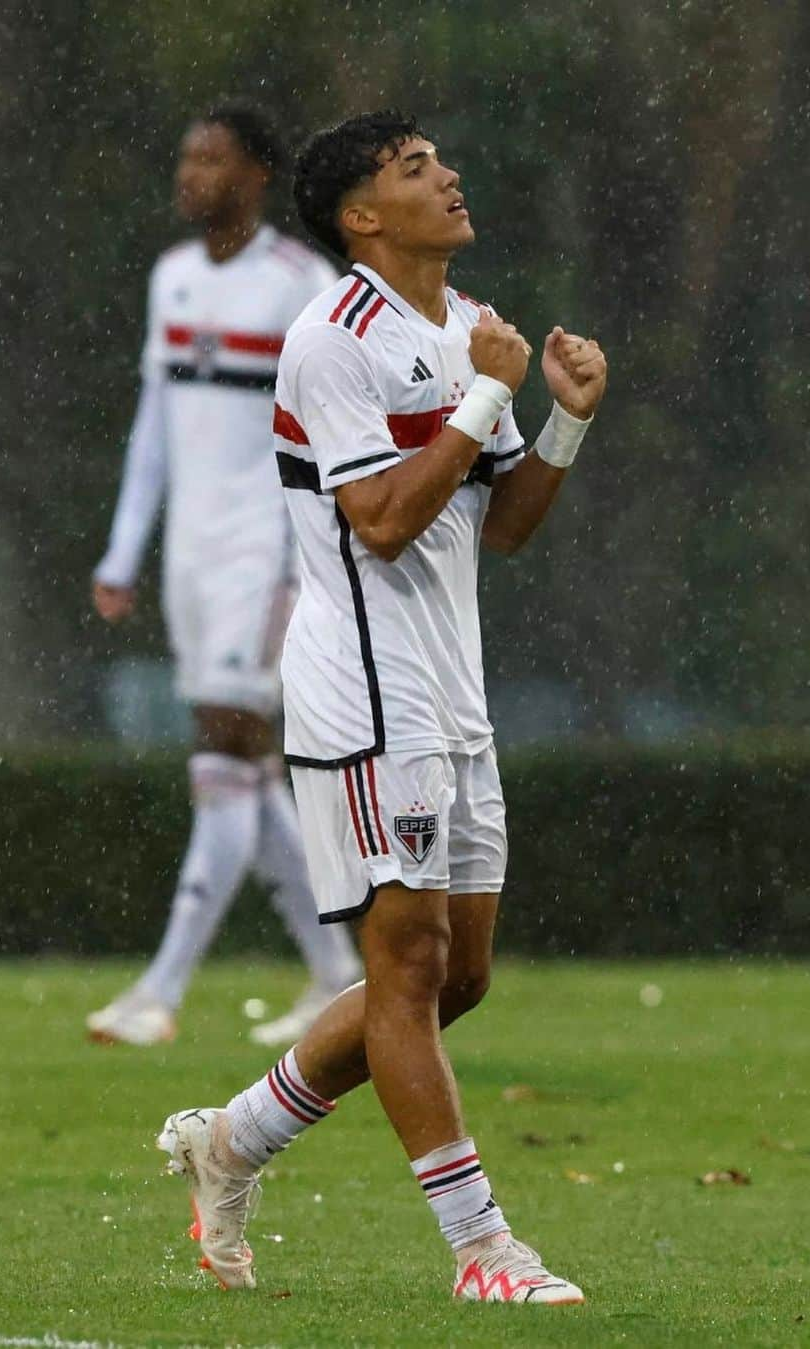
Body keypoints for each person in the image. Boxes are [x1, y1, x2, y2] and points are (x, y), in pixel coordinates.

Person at [157, 109, 607, 1304]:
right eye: (416, 170)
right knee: (404, 970)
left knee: (458, 978)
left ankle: (233, 1137)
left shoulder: (471, 328)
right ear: (364, 216)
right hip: (363, 695)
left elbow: (497, 524)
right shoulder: (330, 337)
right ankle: (483, 1251)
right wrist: (480, 405)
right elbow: (382, 517)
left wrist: (560, 413)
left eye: (440, 161)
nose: (449, 176)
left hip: (453, 694)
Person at [87, 102, 362, 1048]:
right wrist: (126, 550)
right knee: (244, 766)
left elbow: (336, 430)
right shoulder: (170, 280)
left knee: (224, 746)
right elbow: (154, 430)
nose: (190, 174)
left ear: (255, 175)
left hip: (268, 553)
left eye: (211, 158)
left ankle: (160, 991)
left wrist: (325, 550)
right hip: (192, 558)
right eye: (185, 155)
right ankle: (336, 972)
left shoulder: (299, 283)